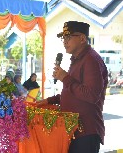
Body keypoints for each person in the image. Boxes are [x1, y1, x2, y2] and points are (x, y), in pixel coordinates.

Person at [37, 21, 107, 153]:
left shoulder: (91, 60)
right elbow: (73, 92)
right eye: (63, 38)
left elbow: (91, 95)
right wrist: (49, 101)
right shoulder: (77, 59)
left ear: (82, 39)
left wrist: (65, 77)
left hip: (85, 132)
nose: (64, 41)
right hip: (73, 130)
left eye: (68, 37)